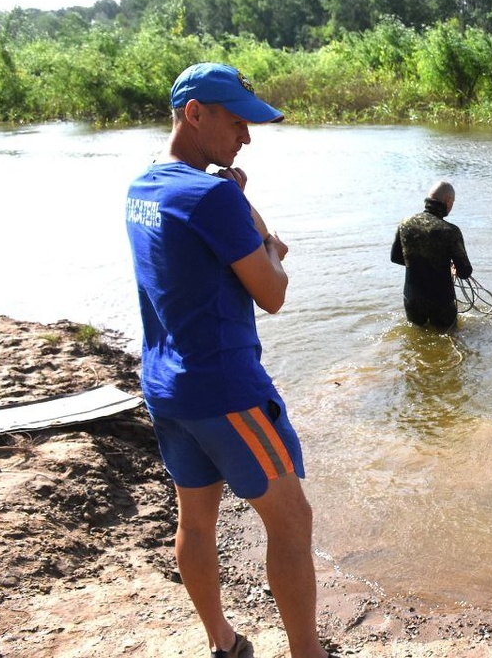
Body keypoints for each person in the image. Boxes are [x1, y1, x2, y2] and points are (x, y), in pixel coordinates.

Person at [124, 62, 328, 658]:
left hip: (166, 389)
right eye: (238, 122)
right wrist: (267, 244)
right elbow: (273, 293)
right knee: (292, 524)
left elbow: (189, 262)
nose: (247, 137)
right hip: (227, 391)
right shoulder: (213, 196)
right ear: (195, 113)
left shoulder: (142, 188)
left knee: (197, 519)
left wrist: (235, 202)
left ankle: (224, 642)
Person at [391, 179, 473, 330]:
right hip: (441, 300)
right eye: (453, 202)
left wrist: (420, 264)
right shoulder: (450, 231)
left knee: (416, 339)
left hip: (412, 298)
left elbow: (395, 257)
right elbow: (465, 271)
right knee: (449, 337)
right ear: (447, 200)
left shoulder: (405, 223)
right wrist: (453, 269)